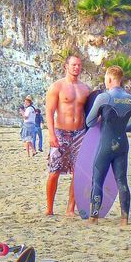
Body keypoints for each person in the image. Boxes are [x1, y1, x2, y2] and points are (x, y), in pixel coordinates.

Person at [84, 66, 131, 226]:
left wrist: (100, 119)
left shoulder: (103, 98)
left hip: (106, 143)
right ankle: (124, 219)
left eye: (106, 79)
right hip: (122, 144)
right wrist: (126, 128)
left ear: (110, 79)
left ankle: (94, 217)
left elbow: (89, 122)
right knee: (122, 181)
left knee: (98, 180)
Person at [45, 55, 92, 216]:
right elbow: (49, 112)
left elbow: (92, 113)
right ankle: (49, 208)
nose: (76, 68)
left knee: (78, 172)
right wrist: (51, 134)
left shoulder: (85, 89)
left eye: (79, 65)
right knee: (54, 171)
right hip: (60, 131)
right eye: (73, 65)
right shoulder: (57, 86)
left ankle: (70, 209)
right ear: (66, 66)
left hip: (80, 133)